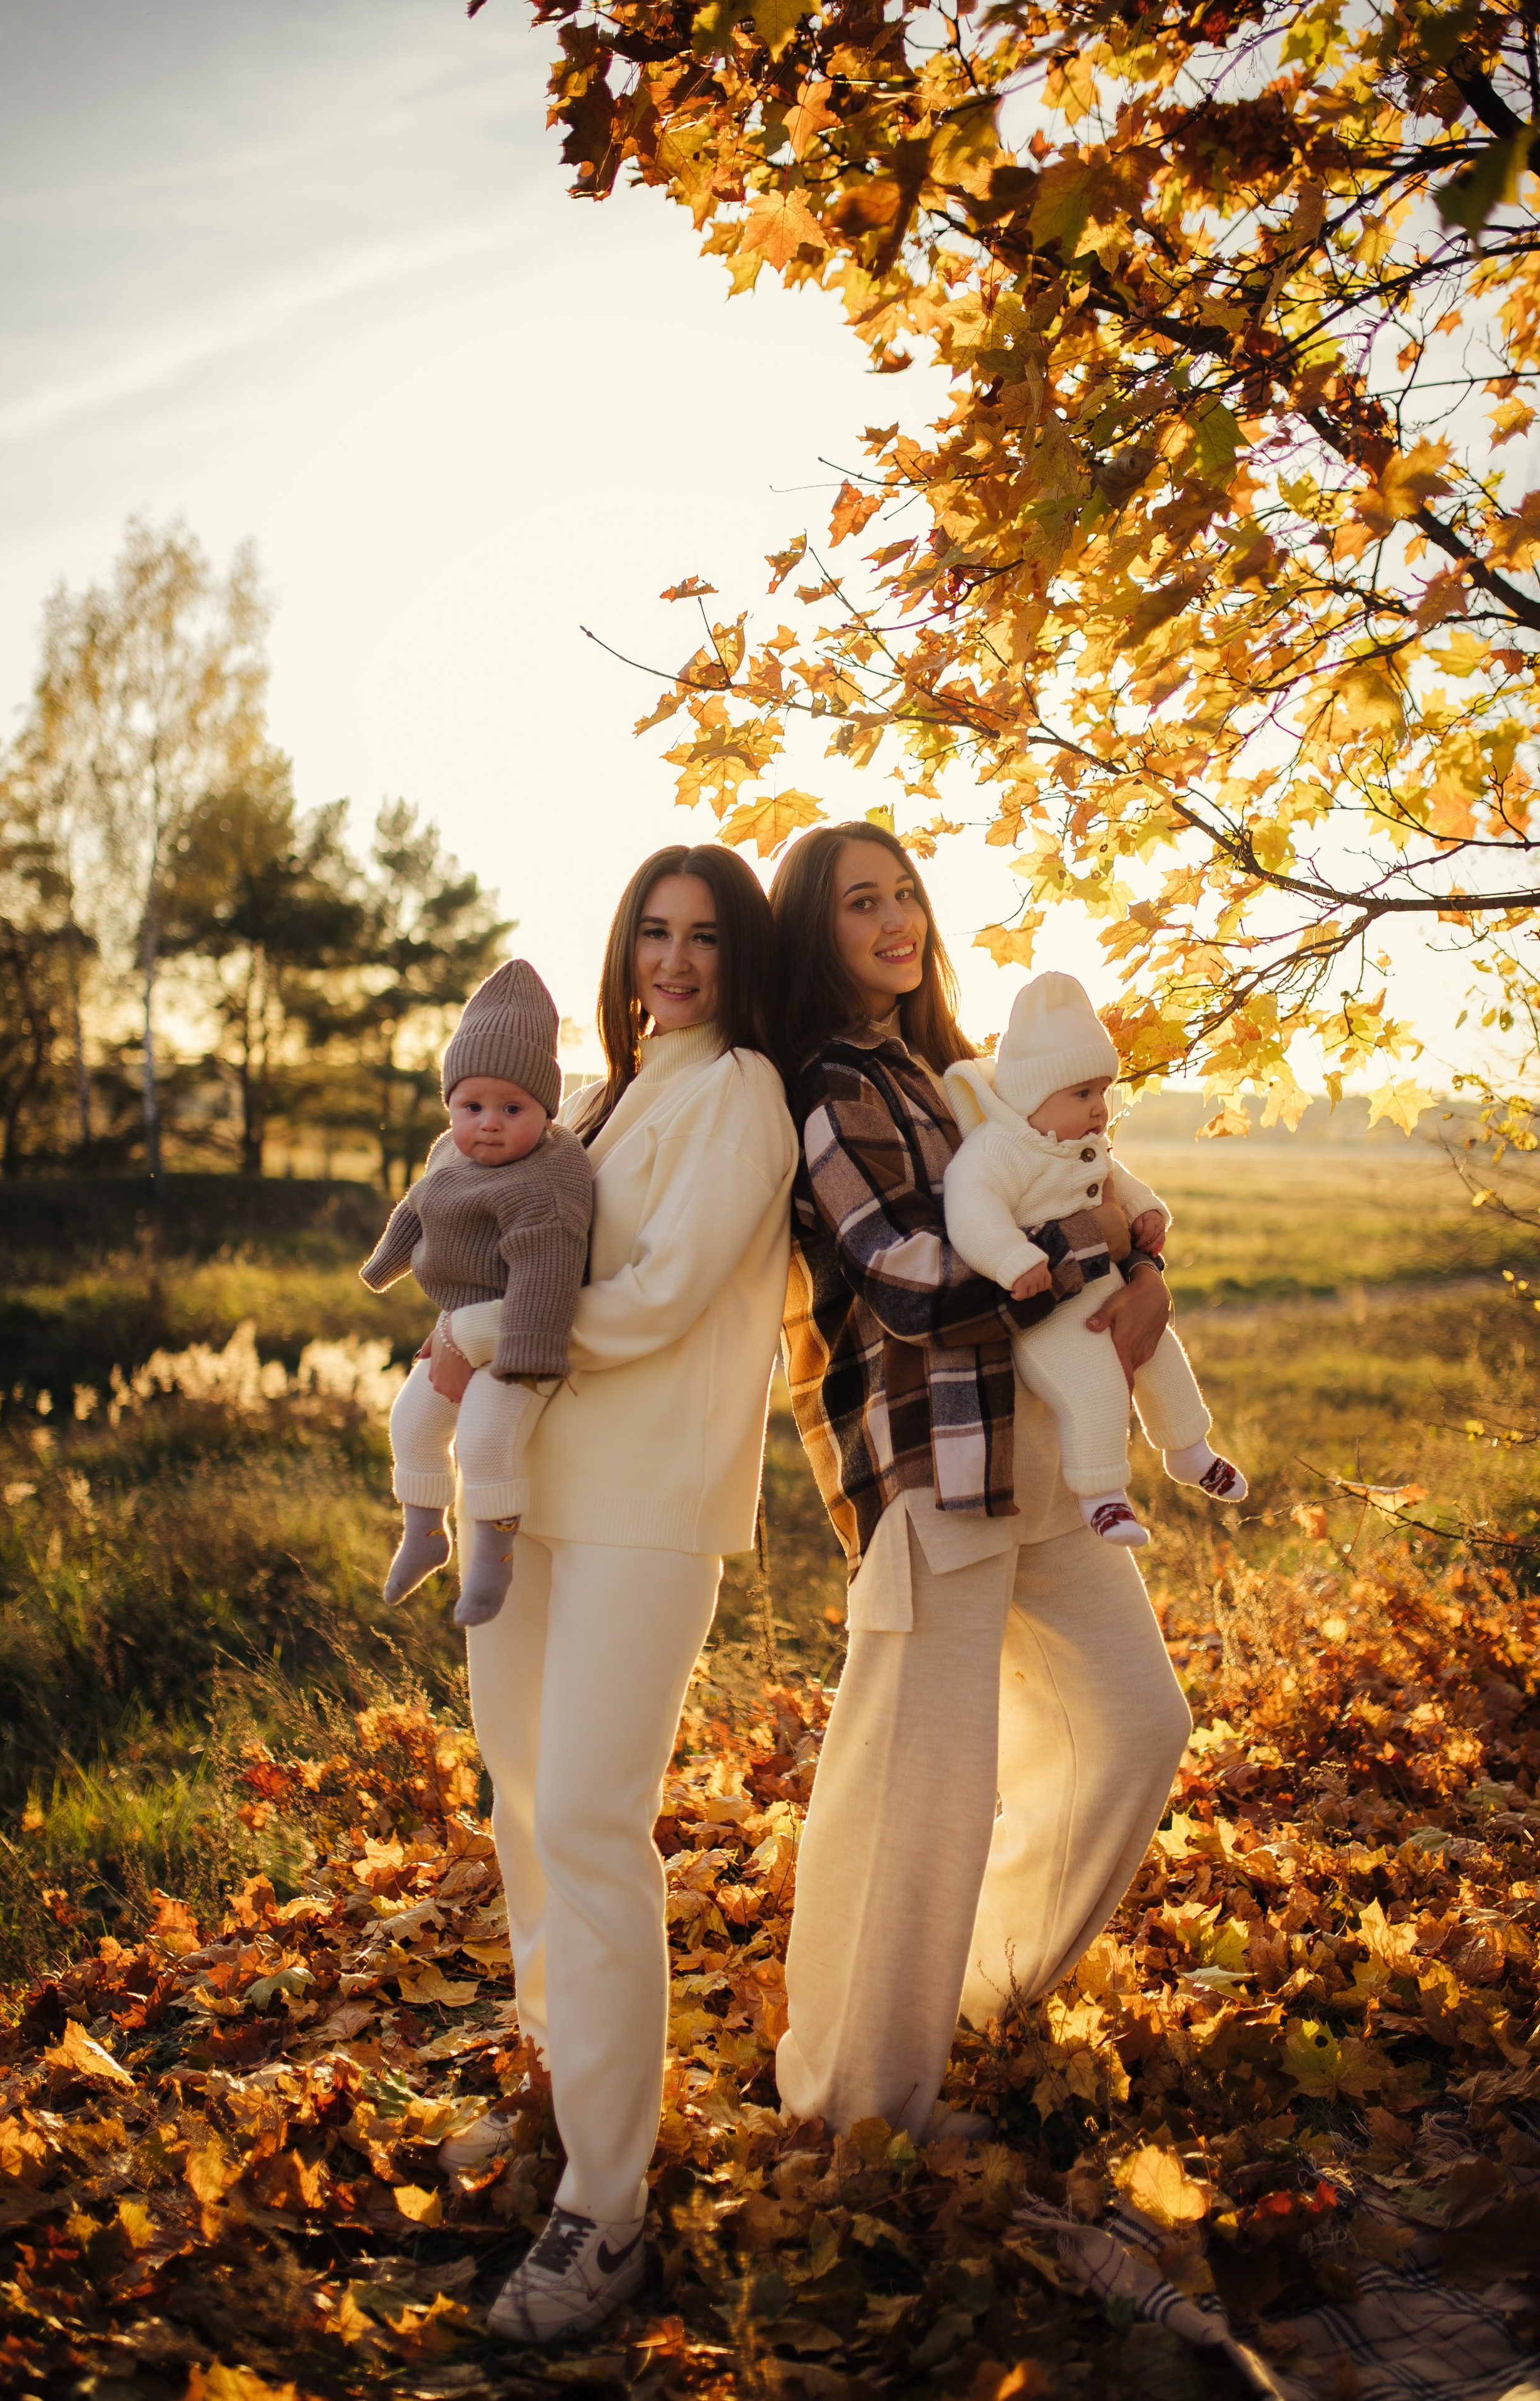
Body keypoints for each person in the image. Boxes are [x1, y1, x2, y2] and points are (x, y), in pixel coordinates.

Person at [767, 819, 1193, 2146]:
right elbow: (899, 1276)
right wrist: (1076, 1271)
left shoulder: (953, 1076)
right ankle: (855, 2106)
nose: (894, 920)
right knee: (918, 1796)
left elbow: (1082, 1193)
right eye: (859, 904)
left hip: (1033, 1456)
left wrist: (1142, 1266)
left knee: (1133, 1721)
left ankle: (979, 1988)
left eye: (904, 895)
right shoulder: (830, 1086)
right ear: (812, 930)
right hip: (926, 1464)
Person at [425, 846, 796, 2343]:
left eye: (702, 935)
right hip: (530, 1496)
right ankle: (552, 2085)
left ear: (737, 955)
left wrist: (474, 1320)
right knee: (518, 1801)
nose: (672, 957)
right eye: (651, 928)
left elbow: (650, 1301)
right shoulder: (600, 1095)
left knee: (589, 1815)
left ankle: (611, 2207)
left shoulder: (743, 1097)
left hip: (649, 1505)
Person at [943, 969, 1246, 1548]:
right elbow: (971, 1208)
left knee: (1162, 1355)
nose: (1099, 1109)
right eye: (1082, 1094)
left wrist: (1146, 1211)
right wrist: (1013, 1257)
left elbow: (1119, 1179)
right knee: (1096, 1386)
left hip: (1106, 1289)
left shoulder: (1083, 1145)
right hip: (1050, 1315)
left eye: (1103, 1092)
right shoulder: (998, 1150)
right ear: (1034, 1096)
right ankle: (1102, 1495)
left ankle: (1189, 1449)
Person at [359, 960, 593, 1623]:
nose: (488, 1124)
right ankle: (426, 1534)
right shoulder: (449, 1153)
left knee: (487, 1438)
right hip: (457, 1321)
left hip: (518, 1332)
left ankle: (492, 1561)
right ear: (451, 1106)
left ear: (545, 1110)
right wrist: (385, 1264)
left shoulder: (548, 1175)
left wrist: (517, 1354)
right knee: (410, 1422)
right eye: (472, 1107)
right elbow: (417, 1208)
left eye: (511, 1109)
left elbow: (549, 1273)